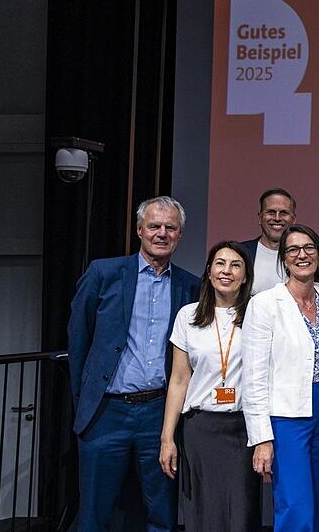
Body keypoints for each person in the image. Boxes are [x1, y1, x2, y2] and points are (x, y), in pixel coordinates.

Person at [67, 196, 200, 531]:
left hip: (159, 414)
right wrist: (84, 403)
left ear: (180, 235)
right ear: (140, 230)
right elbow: (78, 339)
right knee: (94, 512)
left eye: (170, 227)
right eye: (154, 226)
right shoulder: (104, 273)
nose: (162, 233)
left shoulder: (189, 285)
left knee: (161, 511)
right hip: (105, 413)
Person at [241, 224, 319, 531]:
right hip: (288, 417)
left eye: (309, 248)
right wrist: (261, 438)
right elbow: (254, 376)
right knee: (295, 505)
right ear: (284, 259)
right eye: (293, 250)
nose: (302, 255)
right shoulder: (265, 304)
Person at [158, 241, 260, 531]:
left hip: (243, 429)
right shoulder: (188, 316)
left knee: (240, 512)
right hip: (200, 429)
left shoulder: (258, 315)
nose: (226, 271)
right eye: (220, 263)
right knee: (202, 512)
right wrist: (168, 437)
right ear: (209, 271)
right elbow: (179, 380)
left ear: (245, 276)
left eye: (235, 265)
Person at [241, 188, 297, 295]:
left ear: (293, 219)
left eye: (284, 213)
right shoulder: (240, 253)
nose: (277, 218)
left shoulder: (303, 257)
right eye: (271, 212)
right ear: (260, 218)